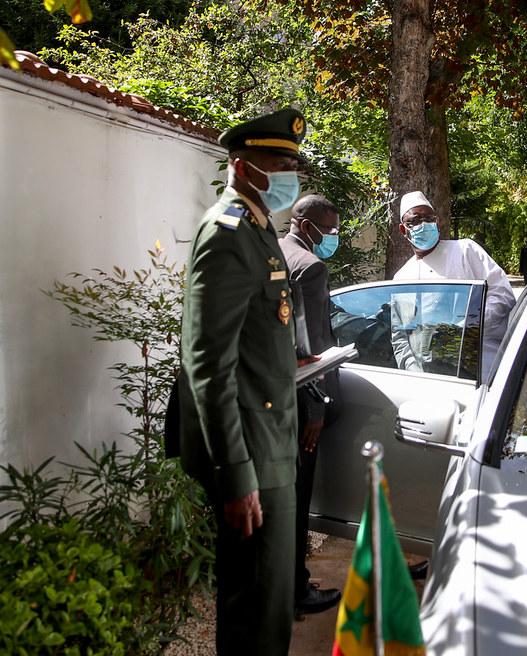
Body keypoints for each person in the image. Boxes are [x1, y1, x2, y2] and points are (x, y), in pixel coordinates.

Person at [177, 107, 305, 655]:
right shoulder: (227, 232)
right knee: (255, 608)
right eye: (279, 162)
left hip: (269, 441)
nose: (289, 173)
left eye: (293, 163)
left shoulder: (257, 227)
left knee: (269, 603)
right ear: (242, 165)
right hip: (249, 453)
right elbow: (207, 363)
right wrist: (236, 473)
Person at [278, 194, 343, 616]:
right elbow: (312, 347)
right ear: (305, 224)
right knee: (298, 501)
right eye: (330, 230)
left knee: (283, 500)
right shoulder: (310, 266)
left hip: (277, 401)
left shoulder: (274, 251)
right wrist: (317, 410)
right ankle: (296, 589)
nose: (333, 237)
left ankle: (279, 583)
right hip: (304, 405)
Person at [392, 191, 516, 378]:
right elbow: (400, 337)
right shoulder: (402, 278)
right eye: (416, 221)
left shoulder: (465, 250)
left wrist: (466, 328)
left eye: (429, 219)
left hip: (482, 365)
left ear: (437, 222)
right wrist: (414, 372)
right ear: (403, 230)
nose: (423, 225)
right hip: (432, 378)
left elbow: (502, 295)